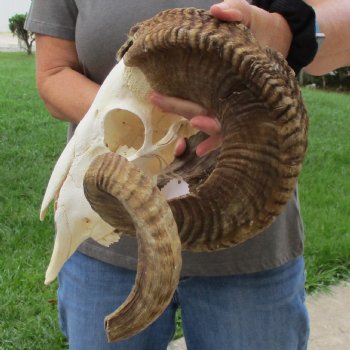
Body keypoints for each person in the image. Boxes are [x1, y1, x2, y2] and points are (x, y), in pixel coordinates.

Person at [25, 1, 350, 349]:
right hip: (105, 235)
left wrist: (286, 32)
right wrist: (145, 117)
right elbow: (53, 72)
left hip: (248, 252)